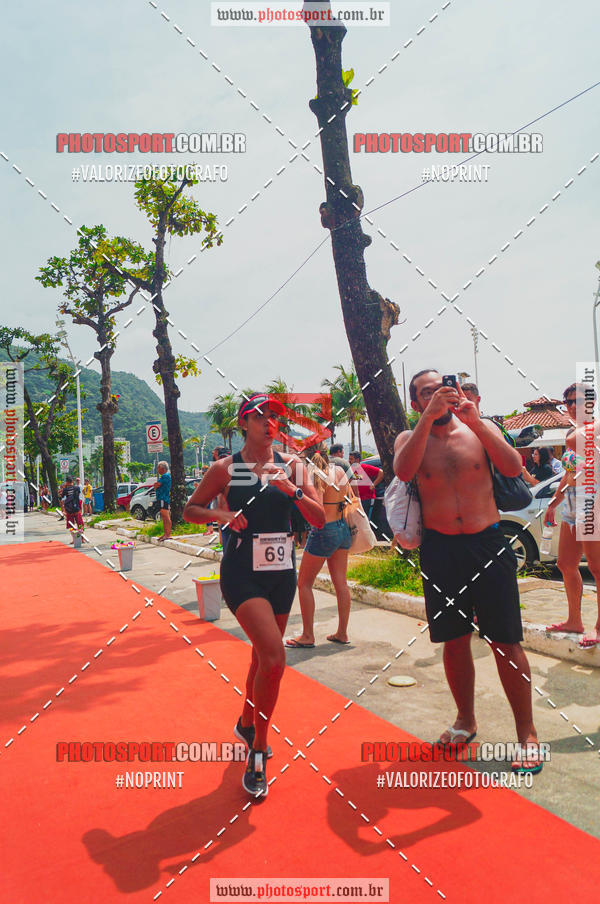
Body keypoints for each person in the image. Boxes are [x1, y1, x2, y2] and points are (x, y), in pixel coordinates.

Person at [394, 369, 542, 773]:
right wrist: (427, 420)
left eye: (441, 389)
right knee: (454, 641)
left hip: (488, 545)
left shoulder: (479, 427)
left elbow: (512, 467)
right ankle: (465, 720)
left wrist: (476, 420)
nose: (437, 396)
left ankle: (527, 733)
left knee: (506, 643)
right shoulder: (410, 439)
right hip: (441, 550)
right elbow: (404, 472)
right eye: (426, 393)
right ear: (416, 403)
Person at [183, 393, 325, 797]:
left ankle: (246, 722)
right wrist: (223, 515)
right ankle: (258, 749)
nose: (269, 423)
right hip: (242, 572)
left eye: (274, 417)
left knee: (261, 657)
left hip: (281, 572)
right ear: (243, 423)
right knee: (275, 659)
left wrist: (294, 492)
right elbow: (191, 509)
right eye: (259, 416)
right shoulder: (225, 468)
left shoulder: (294, 466)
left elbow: (319, 519)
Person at [545, 383, 600, 647]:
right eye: (567, 402)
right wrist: (554, 502)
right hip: (573, 502)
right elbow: (568, 473)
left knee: (597, 569)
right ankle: (575, 620)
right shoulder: (572, 430)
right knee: (565, 564)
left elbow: (572, 442)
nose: (572, 406)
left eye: (578, 400)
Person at [286, 449, 354, 648]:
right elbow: (350, 496)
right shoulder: (339, 471)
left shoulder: (315, 474)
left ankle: (307, 635)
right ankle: (342, 632)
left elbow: (318, 507)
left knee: (304, 583)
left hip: (325, 530)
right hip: (343, 528)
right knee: (341, 583)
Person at [348, 451, 383, 521]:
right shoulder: (349, 470)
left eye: (351, 459)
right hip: (355, 500)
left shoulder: (365, 467)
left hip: (367, 499)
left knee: (366, 520)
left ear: (357, 460)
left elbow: (381, 473)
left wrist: (374, 484)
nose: (349, 461)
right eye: (349, 459)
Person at [153, 462, 172, 541]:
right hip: (162, 498)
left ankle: (167, 534)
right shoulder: (164, 476)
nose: (157, 469)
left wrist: (156, 485)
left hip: (163, 498)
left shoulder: (165, 476)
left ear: (163, 468)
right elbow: (155, 485)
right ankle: (165, 533)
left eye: (158, 467)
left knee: (165, 515)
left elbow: (157, 485)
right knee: (163, 516)